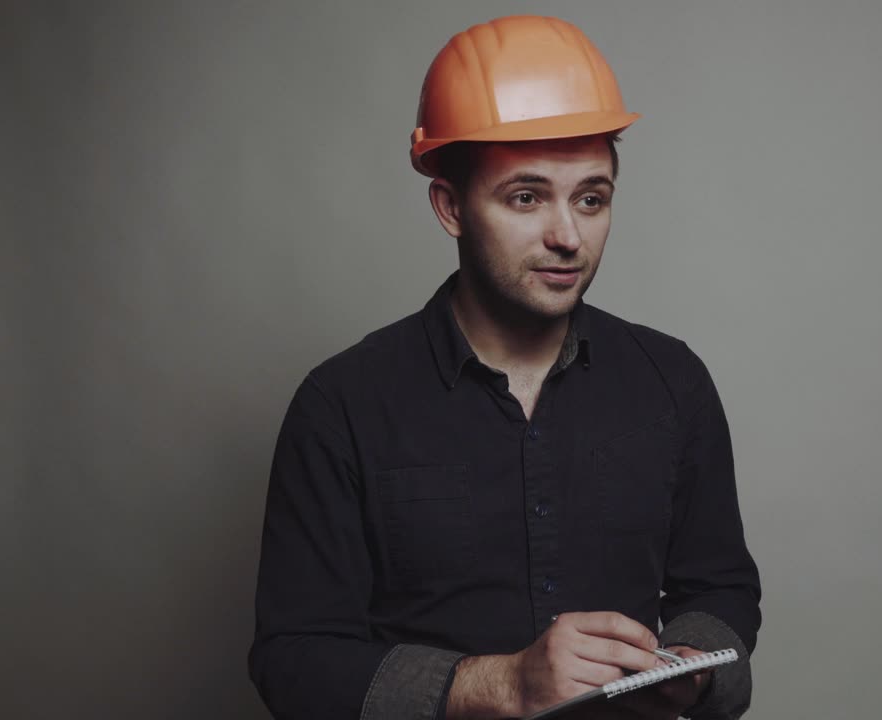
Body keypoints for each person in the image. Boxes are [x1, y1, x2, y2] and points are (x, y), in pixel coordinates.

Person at [248, 15, 761, 720]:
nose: (567, 236)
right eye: (526, 197)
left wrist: (692, 668)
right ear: (450, 207)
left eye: (591, 198)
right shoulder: (341, 404)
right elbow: (294, 660)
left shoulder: (673, 381)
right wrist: (502, 685)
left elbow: (722, 591)